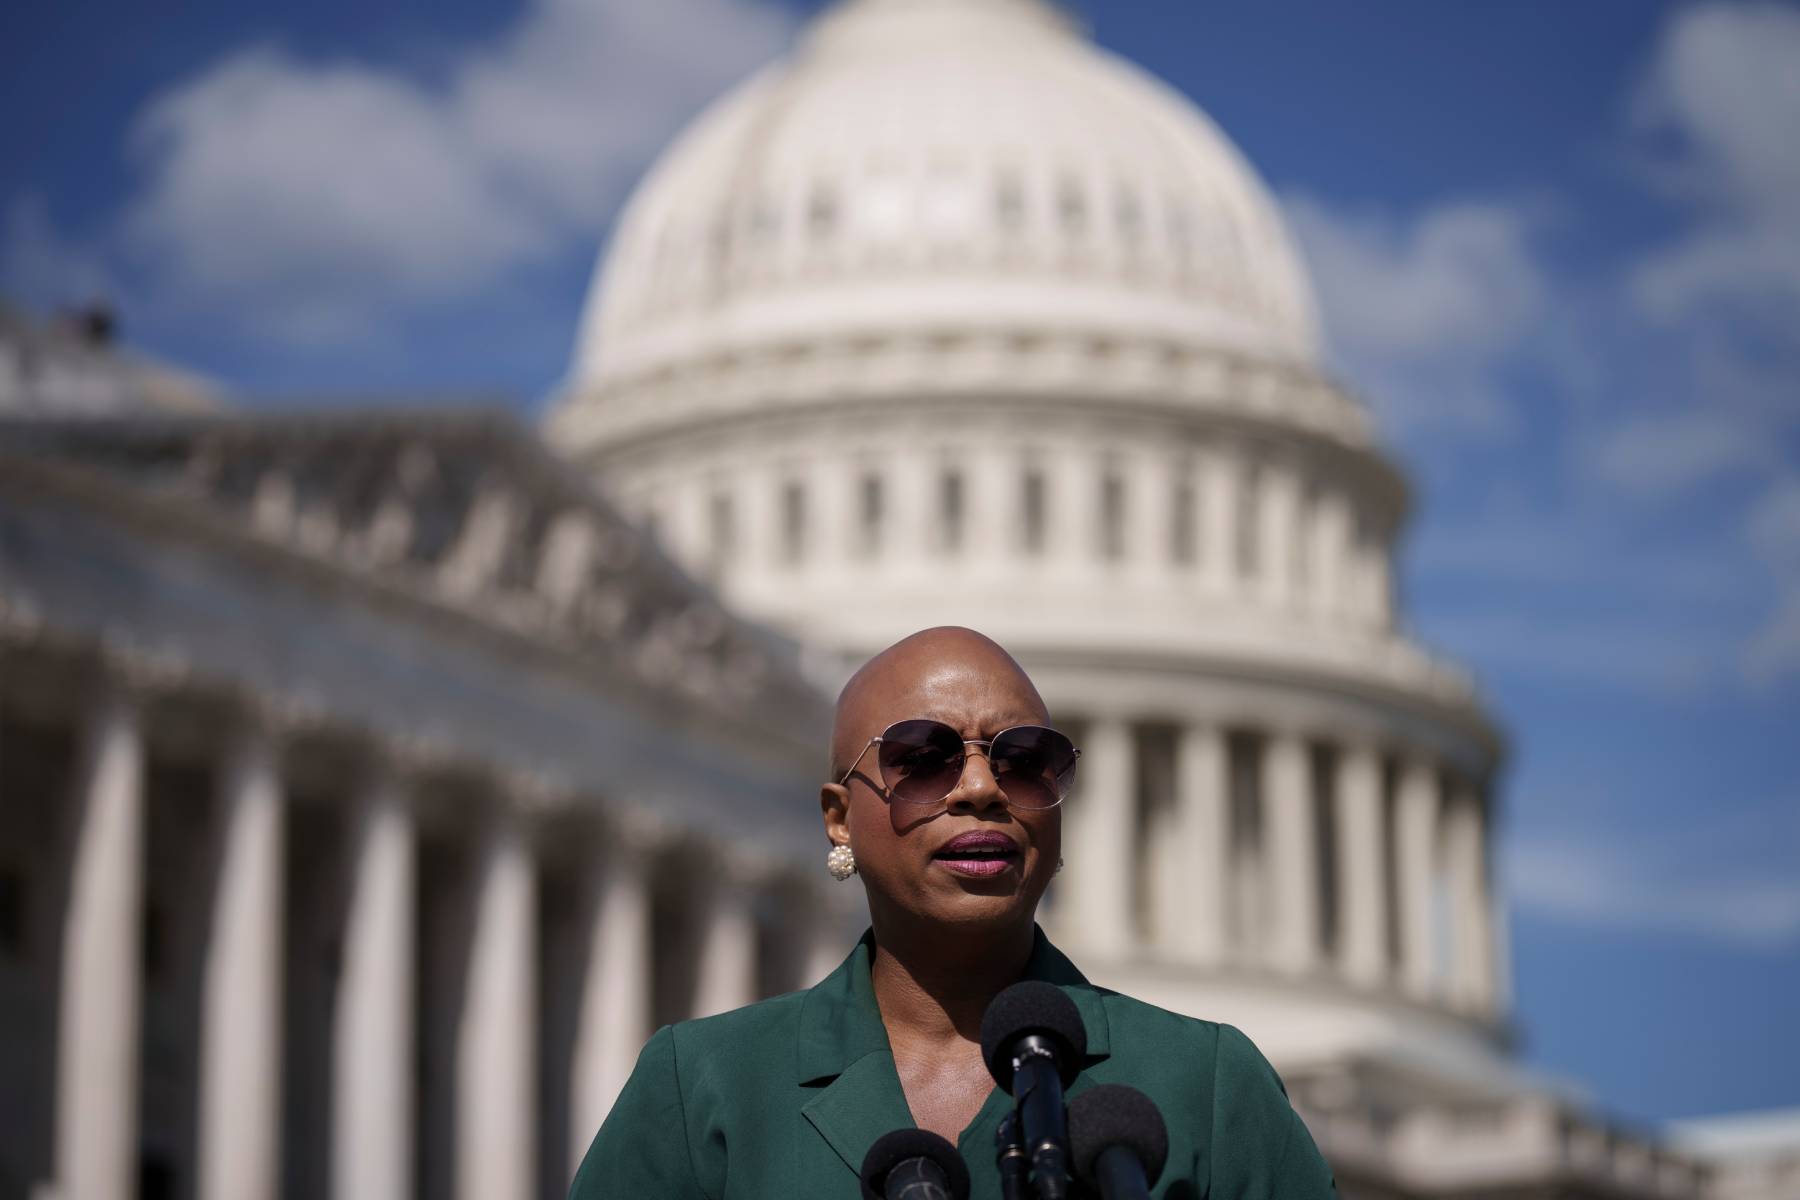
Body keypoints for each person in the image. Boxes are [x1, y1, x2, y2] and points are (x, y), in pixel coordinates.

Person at [569, 626, 1336, 1199]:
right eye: (924, 758)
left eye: (1025, 759)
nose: (980, 788)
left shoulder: (1203, 1084)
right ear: (839, 817)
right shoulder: (707, 1086)